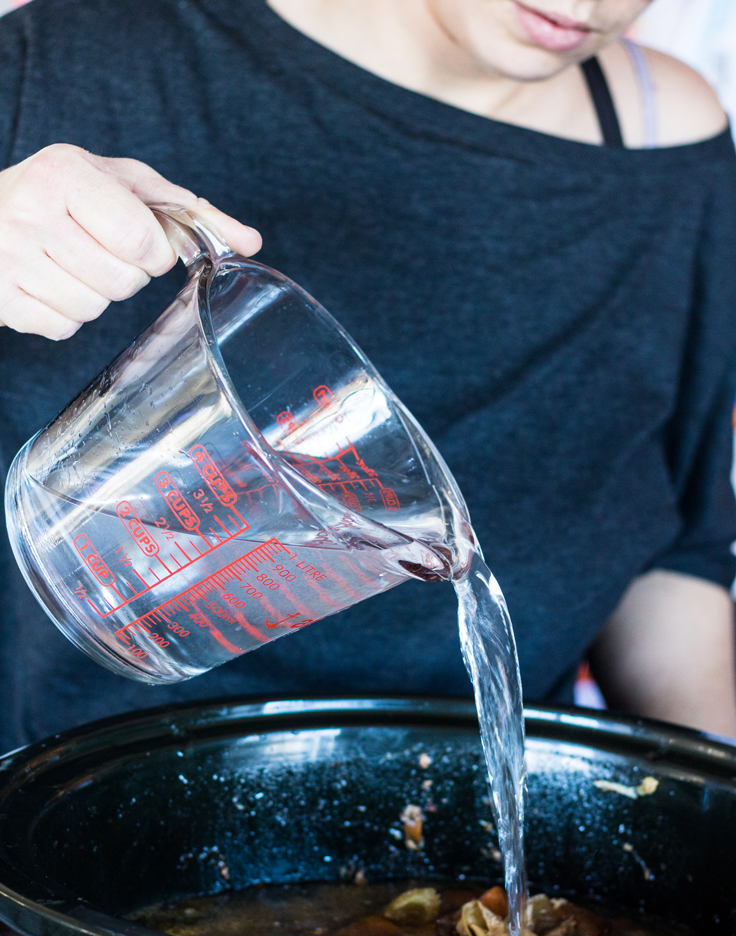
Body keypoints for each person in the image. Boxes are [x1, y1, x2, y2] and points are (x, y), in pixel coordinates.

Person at [0, 0, 735, 751]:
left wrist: (710, 795)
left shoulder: (667, 142)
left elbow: (675, 545)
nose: (586, 4)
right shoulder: (65, 58)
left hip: (483, 794)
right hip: (79, 775)